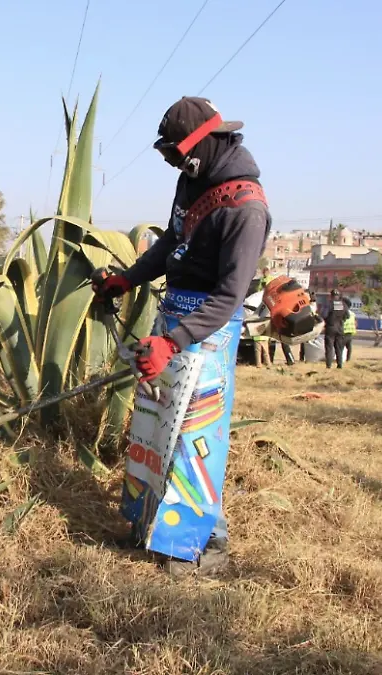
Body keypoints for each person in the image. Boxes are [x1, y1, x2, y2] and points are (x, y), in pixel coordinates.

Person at [92, 96, 270, 576]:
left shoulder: (245, 210)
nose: (173, 162)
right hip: (172, 319)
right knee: (155, 428)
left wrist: (175, 341)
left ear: (204, 144)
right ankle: (150, 526)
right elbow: (172, 241)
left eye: (176, 154)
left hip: (207, 332)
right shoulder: (191, 183)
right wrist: (128, 278)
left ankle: (200, 548)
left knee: (195, 437)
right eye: (167, 154)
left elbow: (231, 295)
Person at [324, 290, 350, 369]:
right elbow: (348, 316)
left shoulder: (329, 304)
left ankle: (328, 365)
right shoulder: (343, 304)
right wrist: (341, 320)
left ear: (331, 295)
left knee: (329, 347)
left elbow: (324, 314)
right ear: (338, 296)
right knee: (339, 348)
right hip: (340, 328)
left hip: (330, 328)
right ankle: (339, 365)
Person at [341, 296, 357, 363]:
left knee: (340, 347)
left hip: (344, 332)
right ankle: (348, 359)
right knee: (349, 347)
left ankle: (340, 359)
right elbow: (355, 323)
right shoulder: (353, 314)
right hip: (350, 332)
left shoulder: (342, 313)